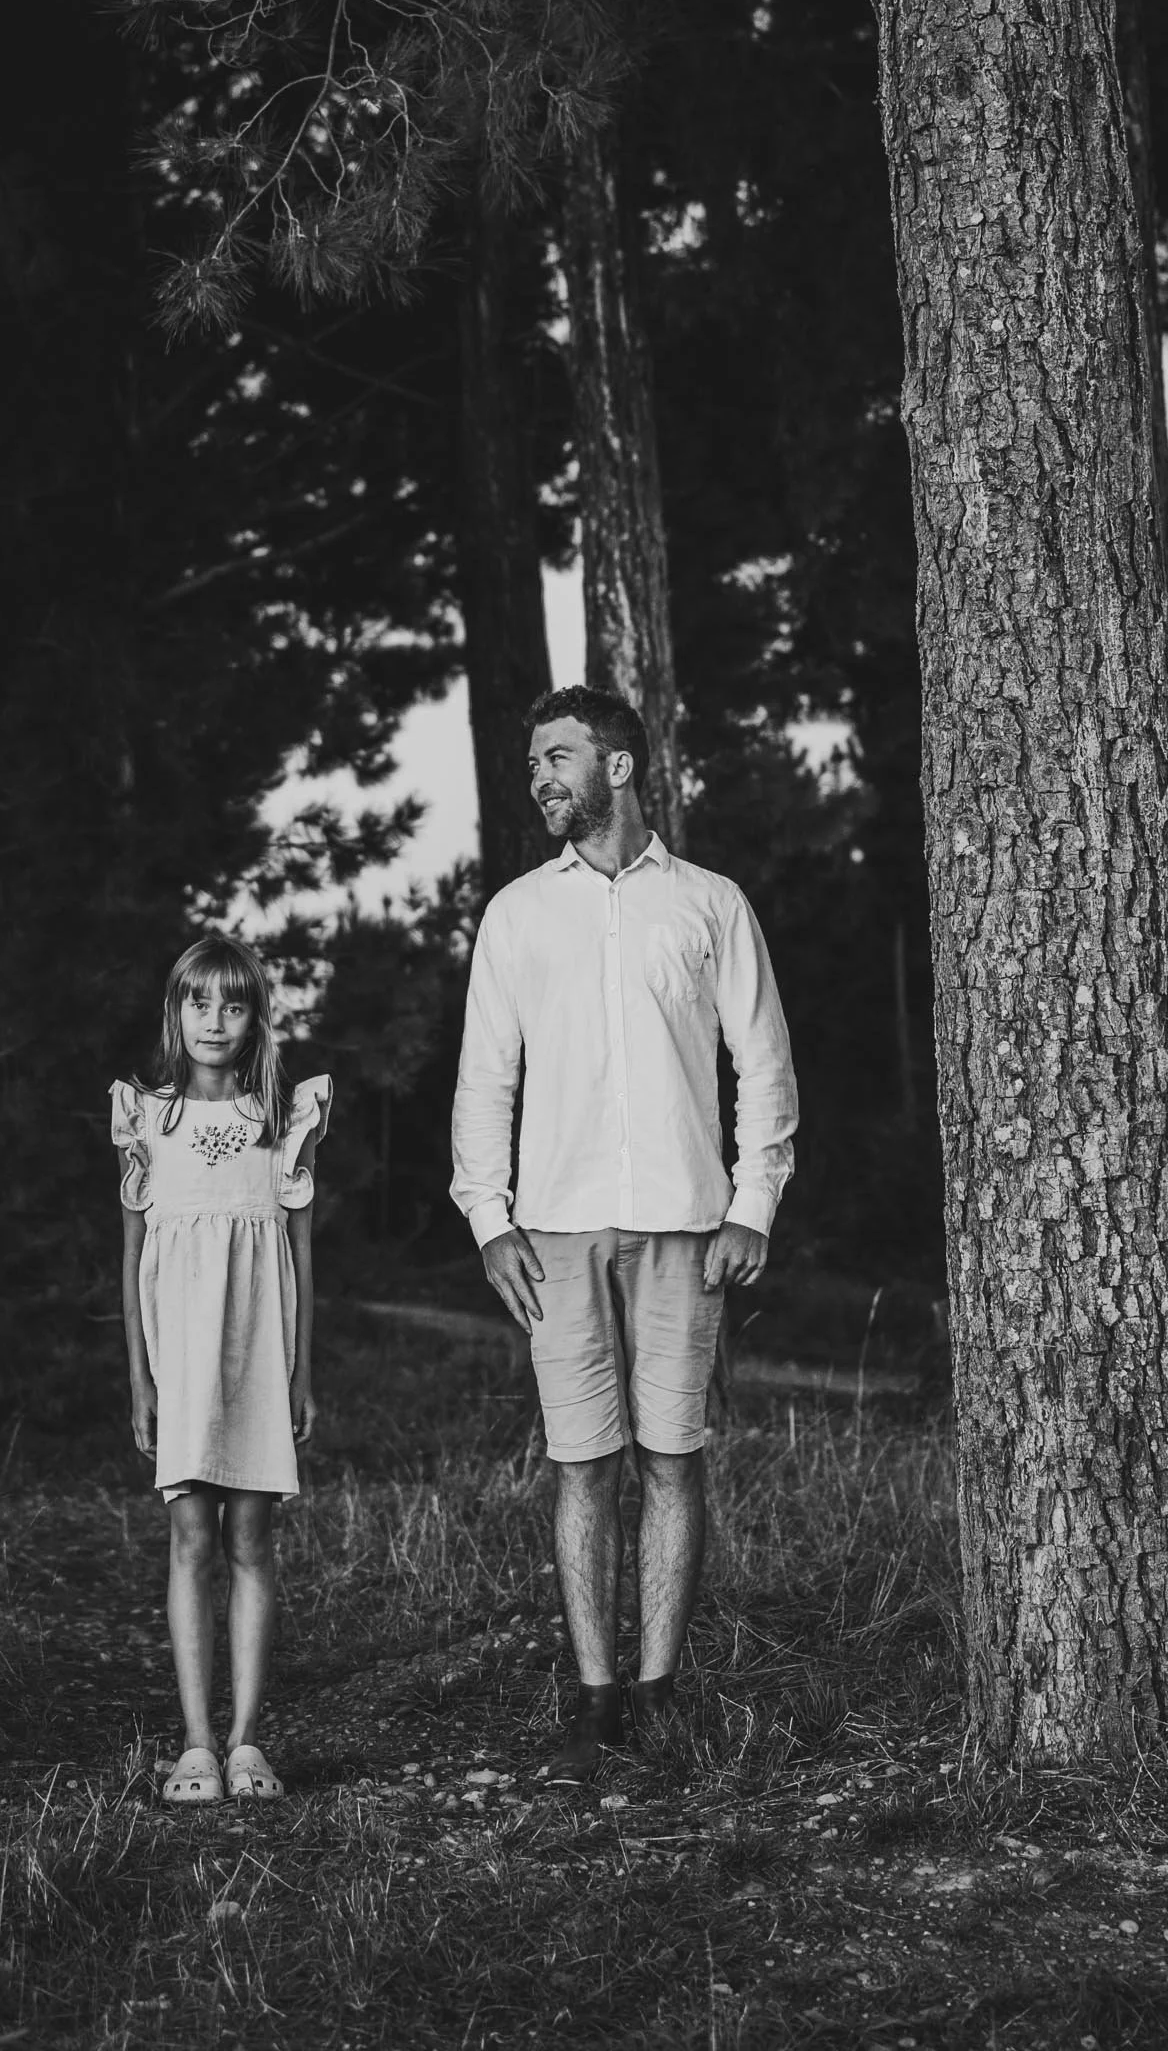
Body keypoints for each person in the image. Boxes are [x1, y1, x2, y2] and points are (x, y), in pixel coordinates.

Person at [451, 685, 797, 1782]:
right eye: (529, 762)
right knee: (582, 1464)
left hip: (683, 1228)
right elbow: (483, 1081)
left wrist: (751, 1205)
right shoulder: (514, 915)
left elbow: (764, 1066)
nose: (537, 777)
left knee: (673, 1457)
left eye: (554, 756)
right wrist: (488, 1219)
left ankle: (659, 1687)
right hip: (552, 1231)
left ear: (618, 765)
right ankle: (597, 1697)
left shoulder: (708, 904)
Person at [112, 932, 331, 1806]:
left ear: (254, 1019)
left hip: (258, 1359)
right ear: (176, 1012)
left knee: (251, 1539)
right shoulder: (148, 1118)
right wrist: (140, 1379)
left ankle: (246, 1741)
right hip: (181, 1363)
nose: (214, 1020)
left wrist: (301, 1374)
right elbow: (131, 1262)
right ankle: (195, 1742)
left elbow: (303, 1262)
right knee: (191, 1539)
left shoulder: (280, 1124)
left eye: (232, 1005)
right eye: (198, 1003)